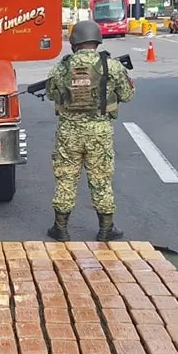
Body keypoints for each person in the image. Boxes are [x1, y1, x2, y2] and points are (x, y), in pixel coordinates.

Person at [44, 20, 135, 242]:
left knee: (66, 178)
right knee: (101, 179)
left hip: (68, 133)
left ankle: (60, 229)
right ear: (97, 40)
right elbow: (127, 95)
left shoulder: (61, 68)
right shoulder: (112, 66)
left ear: (74, 41)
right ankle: (106, 229)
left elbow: (52, 95)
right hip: (100, 132)